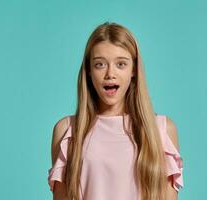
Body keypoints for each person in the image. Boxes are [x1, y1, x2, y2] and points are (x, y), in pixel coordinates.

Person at [47, 22, 184, 200]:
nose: (110, 73)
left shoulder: (162, 131)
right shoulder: (67, 131)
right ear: (88, 70)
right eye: (100, 64)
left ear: (133, 70)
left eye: (121, 64)